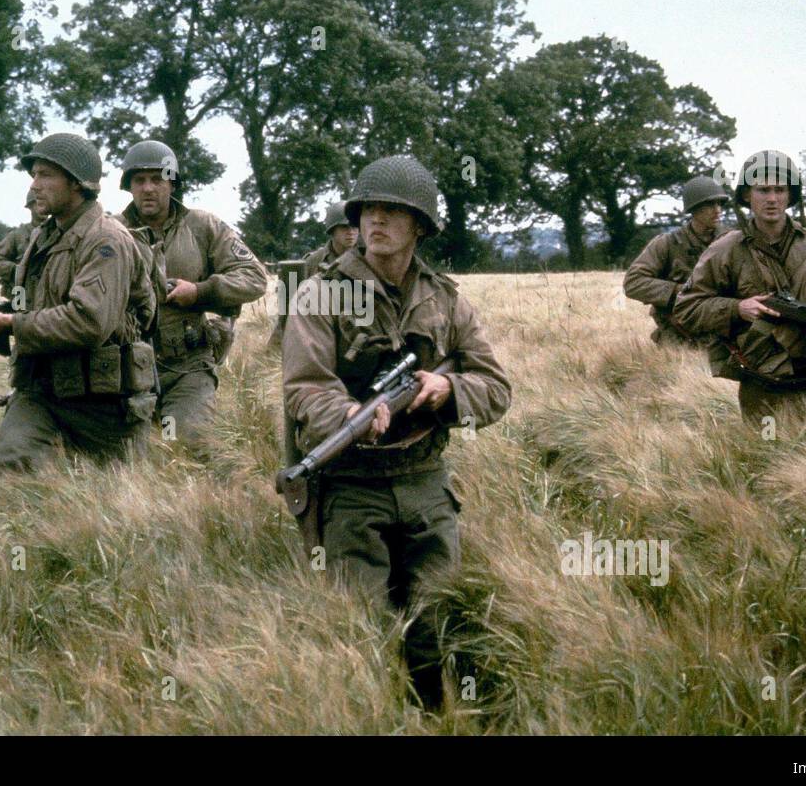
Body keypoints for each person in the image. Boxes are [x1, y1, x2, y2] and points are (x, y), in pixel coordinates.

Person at [282, 154, 511, 710]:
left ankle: (435, 715)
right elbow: (304, 387)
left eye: (392, 212)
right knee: (360, 627)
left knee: (436, 620)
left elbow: (496, 388)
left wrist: (447, 390)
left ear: (420, 226)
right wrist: (349, 418)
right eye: (367, 211)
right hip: (351, 486)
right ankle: (370, 716)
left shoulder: (448, 299)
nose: (375, 222)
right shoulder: (319, 294)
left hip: (427, 484)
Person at [0, 133, 158, 470]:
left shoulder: (106, 240)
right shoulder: (43, 236)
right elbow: (31, 301)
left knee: (113, 503)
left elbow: (89, 322)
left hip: (103, 405)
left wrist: (13, 324)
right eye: (33, 175)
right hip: (42, 391)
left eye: (45, 175)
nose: (34, 185)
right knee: (9, 466)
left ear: (77, 183)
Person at [673, 150, 806, 427]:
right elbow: (687, 307)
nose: (772, 198)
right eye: (763, 190)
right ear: (746, 195)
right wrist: (736, 308)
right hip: (764, 371)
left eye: (780, 190)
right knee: (767, 449)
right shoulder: (726, 248)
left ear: (791, 195)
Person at [117, 139, 268, 450]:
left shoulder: (202, 226)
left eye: (157, 179)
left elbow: (254, 278)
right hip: (125, 373)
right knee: (126, 456)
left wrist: (200, 292)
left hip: (187, 367)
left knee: (183, 443)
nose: (148, 188)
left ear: (172, 184)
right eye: (139, 180)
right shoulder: (111, 232)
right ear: (128, 186)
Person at [623, 175, 729, 348]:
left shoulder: (731, 242)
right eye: (710, 204)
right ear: (694, 209)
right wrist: (677, 292)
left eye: (720, 204)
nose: (718, 210)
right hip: (678, 336)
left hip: (724, 332)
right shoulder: (666, 244)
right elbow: (633, 282)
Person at [271, 200, 359, 346]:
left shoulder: (369, 258)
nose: (351, 232)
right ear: (332, 230)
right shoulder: (313, 261)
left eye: (355, 226)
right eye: (344, 227)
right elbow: (290, 306)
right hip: (317, 332)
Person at [0, 188, 47, 300]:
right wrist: (16, 270)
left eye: (45, 202)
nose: (42, 207)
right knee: (20, 315)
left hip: (49, 297)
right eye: (38, 203)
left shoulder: (60, 233)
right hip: (21, 295)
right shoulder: (17, 235)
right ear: (30, 207)